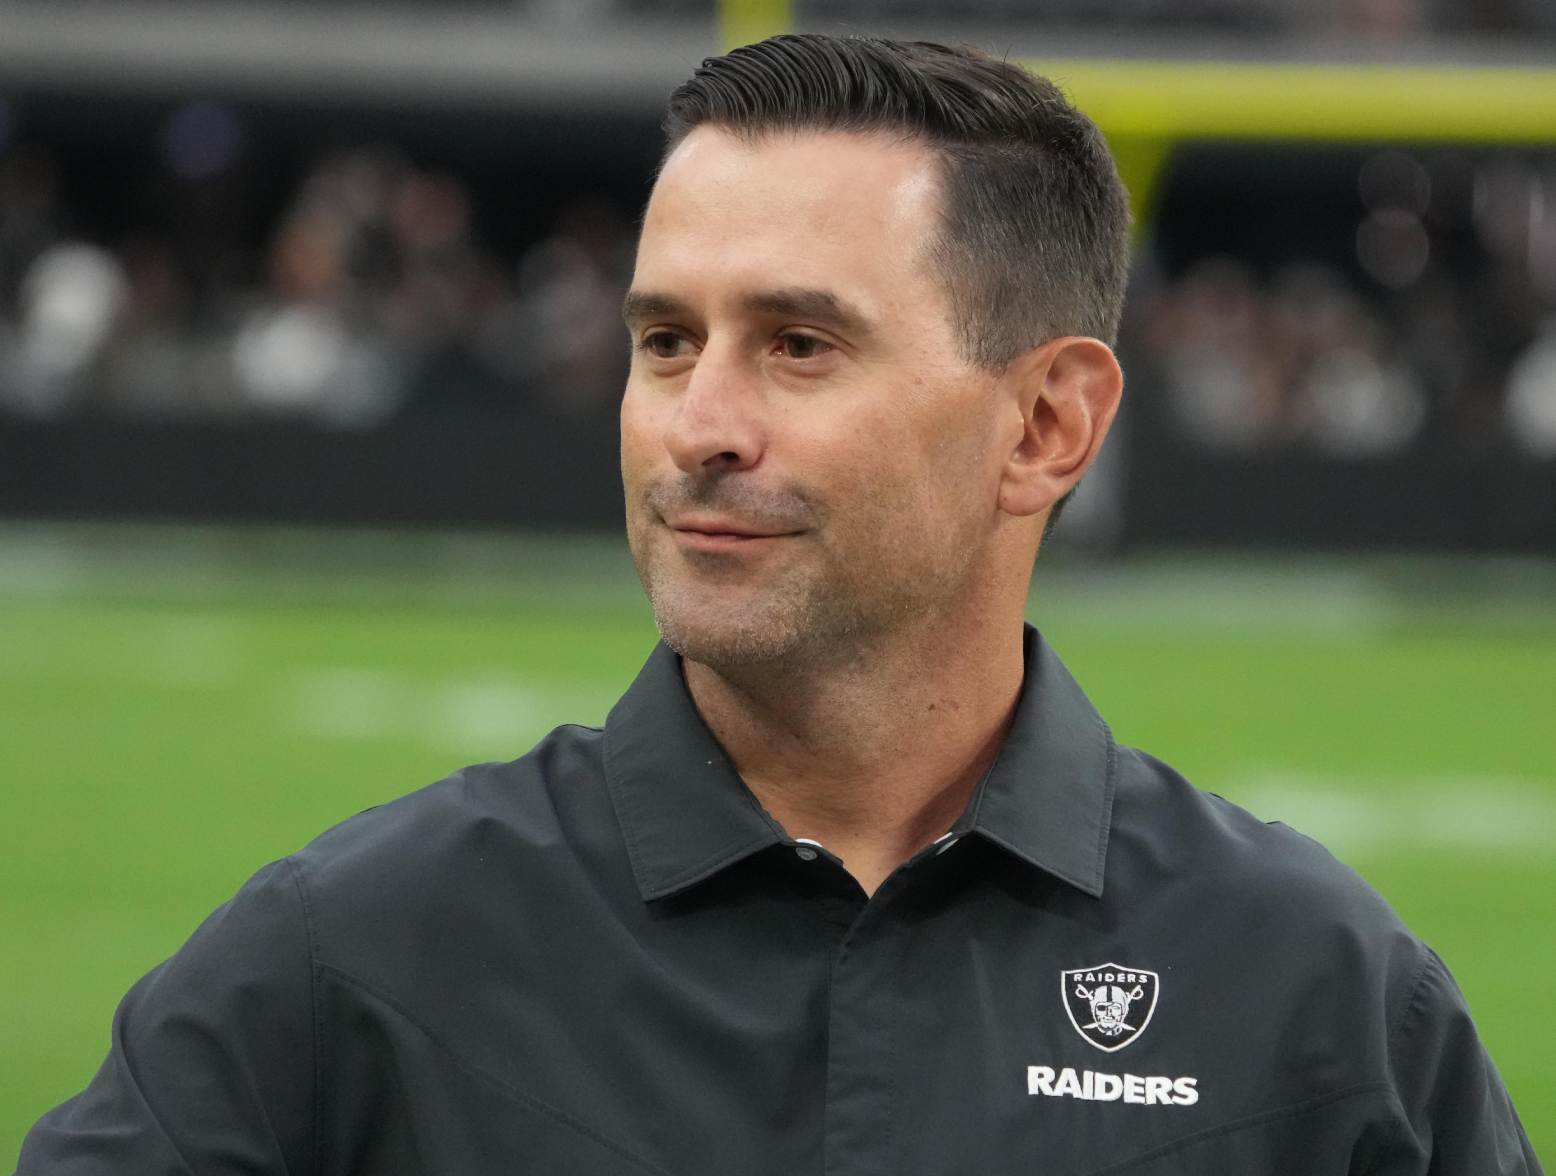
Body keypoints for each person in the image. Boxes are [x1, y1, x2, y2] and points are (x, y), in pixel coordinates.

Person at [16, 34, 1541, 1175]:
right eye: (667, 341)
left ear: (1047, 428)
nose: (700, 423)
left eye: (800, 345)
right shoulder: (357, 956)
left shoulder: (1318, 1002)